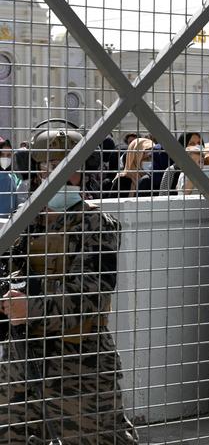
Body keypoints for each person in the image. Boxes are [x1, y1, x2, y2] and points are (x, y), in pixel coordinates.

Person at [0, 122, 138, 443]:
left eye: (69, 168)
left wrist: (28, 305)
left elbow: (89, 299)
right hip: (22, 356)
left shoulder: (97, 224)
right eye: (49, 166)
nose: (59, 176)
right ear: (34, 172)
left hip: (79, 363)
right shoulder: (23, 219)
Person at [0, 137, 24, 215]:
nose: (5, 158)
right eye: (2, 155)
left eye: (9, 155)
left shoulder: (11, 177)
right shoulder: (7, 179)